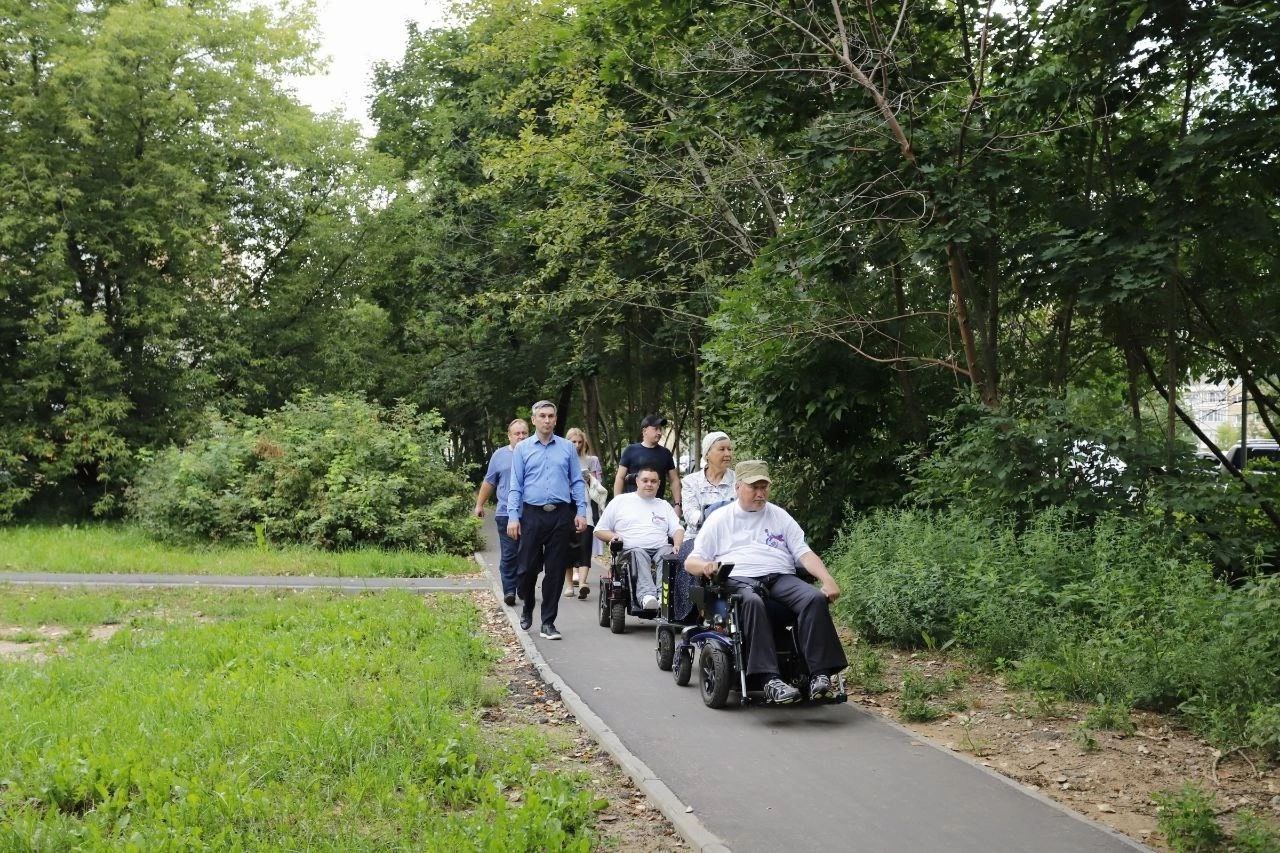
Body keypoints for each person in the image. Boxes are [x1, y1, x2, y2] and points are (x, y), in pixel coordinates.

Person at [685, 460, 847, 705]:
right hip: (739, 577)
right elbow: (691, 562)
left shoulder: (779, 516)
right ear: (738, 487)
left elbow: (804, 553)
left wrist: (827, 579)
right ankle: (769, 679)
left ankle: (820, 676)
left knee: (814, 598)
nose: (760, 494)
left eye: (764, 487)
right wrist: (706, 566)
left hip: (780, 576)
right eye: (754, 488)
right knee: (752, 601)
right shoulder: (720, 519)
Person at [506, 400, 590, 641]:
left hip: (560, 515)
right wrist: (513, 516)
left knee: (554, 570)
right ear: (533, 420)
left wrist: (580, 512)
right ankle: (528, 605)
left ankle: (548, 623)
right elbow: (516, 486)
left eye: (551, 416)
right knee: (526, 570)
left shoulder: (566, 448)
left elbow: (576, 481)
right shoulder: (522, 449)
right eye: (542, 416)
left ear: (555, 420)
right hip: (532, 515)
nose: (546, 420)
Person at [594, 466, 685, 611]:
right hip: (630, 551)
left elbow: (678, 529)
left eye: (653, 481)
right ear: (637, 481)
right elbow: (599, 530)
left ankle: (664, 597)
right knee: (639, 553)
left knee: (668, 552)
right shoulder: (620, 501)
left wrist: (677, 544)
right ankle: (647, 596)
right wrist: (614, 536)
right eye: (645, 480)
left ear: (658, 484)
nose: (649, 484)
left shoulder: (664, 505)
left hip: (660, 548)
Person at [473, 418, 530, 606]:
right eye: (517, 433)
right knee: (509, 553)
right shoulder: (499, 455)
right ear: (509, 436)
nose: (521, 436)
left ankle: (523, 585)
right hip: (505, 513)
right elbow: (490, 481)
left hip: (532, 514)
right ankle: (509, 590)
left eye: (524, 433)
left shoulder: (536, 452)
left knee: (529, 555)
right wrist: (480, 504)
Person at [564, 427, 604, 600]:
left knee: (585, 544)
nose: (577, 445)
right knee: (567, 545)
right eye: (574, 442)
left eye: (580, 442)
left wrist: (589, 479)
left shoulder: (591, 460)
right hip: (566, 506)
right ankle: (568, 585)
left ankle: (582, 583)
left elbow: (598, 485)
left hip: (586, 505)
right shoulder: (561, 459)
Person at [614, 414, 682, 507]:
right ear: (645, 431)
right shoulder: (630, 450)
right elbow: (620, 477)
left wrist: (678, 505)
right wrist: (616, 504)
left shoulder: (665, 453)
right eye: (655, 429)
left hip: (657, 507)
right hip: (632, 506)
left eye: (660, 429)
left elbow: (674, 480)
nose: (659, 432)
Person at [680, 431, 735, 537]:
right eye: (722, 449)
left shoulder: (739, 480)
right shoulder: (690, 482)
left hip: (731, 537)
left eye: (729, 449)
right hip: (697, 537)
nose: (727, 453)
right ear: (707, 454)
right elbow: (690, 514)